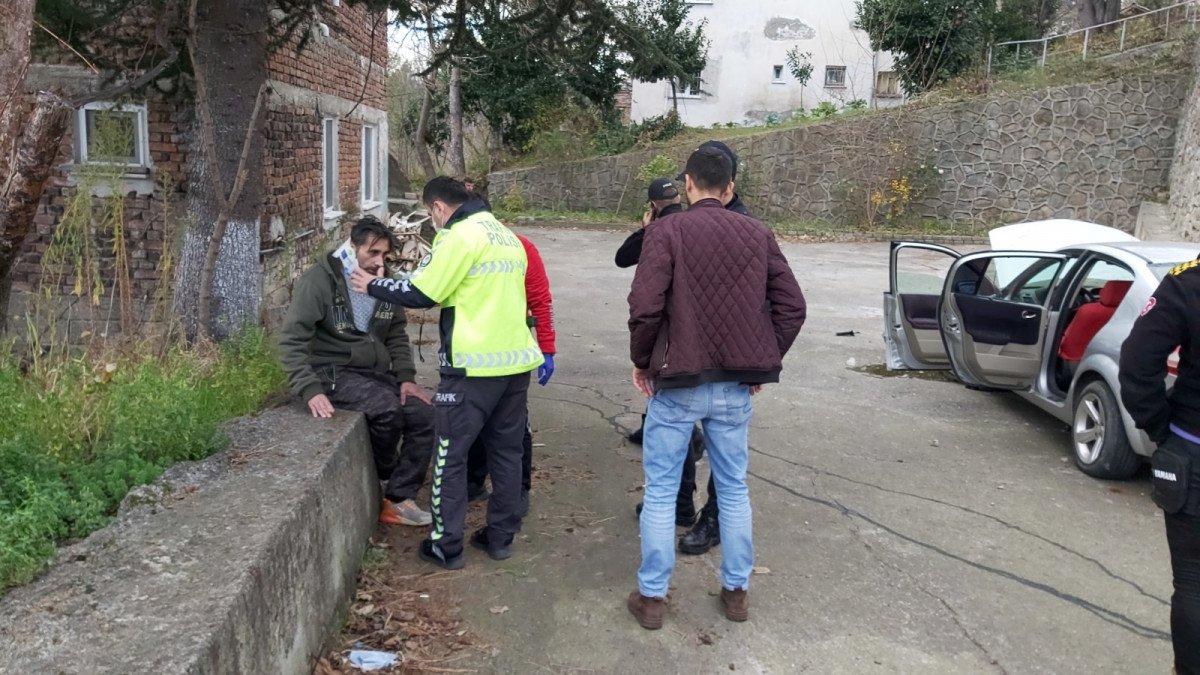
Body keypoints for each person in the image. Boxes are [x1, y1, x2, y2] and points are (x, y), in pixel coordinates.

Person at [625, 146, 806, 630]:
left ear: (687, 183)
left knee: (662, 492)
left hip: (678, 382)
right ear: (729, 189)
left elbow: (645, 306)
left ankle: (653, 598)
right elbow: (793, 307)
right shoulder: (757, 234)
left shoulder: (664, 232)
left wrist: (643, 362)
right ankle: (736, 592)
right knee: (733, 487)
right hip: (733, 387)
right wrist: (762, 363)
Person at [350, 177, 542, 570]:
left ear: (438, 208)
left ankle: (445, 545)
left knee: (449, 457)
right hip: (515, 365)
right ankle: (500, 538)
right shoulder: (505, 236)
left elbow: (423, 293)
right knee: (506, 453)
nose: (433, 222)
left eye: (431, 215)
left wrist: (372, 285)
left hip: (472, 369)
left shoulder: (457, 236)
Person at [279, 215, 436, 528]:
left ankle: (397, 499)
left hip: (375, 372)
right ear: (352, 248)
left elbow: (396, 334)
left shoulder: (384, 280)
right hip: (332, 371)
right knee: (387, 409)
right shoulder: (320, 281)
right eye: (372, 253)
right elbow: (292, 340)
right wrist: (309, 389)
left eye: (384, 255)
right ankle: (384, 478)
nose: (379, 262)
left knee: (424, 413)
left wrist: (406, 378)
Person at [1119, 255, 1200, 673]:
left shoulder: (1188, 281)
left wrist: (1160, 428)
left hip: (1192, 449)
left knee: (1193, 583)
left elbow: (1136, 360)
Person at [466, 232, 557, 515]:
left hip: (508, 357)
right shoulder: (459, 242)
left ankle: (519, 492)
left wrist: (547, 346)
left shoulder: (521, 246)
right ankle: (474, 481)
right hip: (469, 354)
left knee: (516, 428)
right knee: (474, 422)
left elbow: (541, 298)